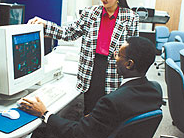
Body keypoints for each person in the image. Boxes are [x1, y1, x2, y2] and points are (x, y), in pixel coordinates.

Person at [28, 0, 139, 114]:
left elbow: (133, 49)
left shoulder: (130, 17)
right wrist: (46, 25)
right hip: (91, 69)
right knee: (90, 111)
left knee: (110, 111)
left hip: (114, 70)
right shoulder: (90, 13)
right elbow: (69, 33)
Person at [19, 36, 163, 138]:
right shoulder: (155, 89)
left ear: (129, 64)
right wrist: (98, 117)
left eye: (118, 55)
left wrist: (44, 113)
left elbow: (78, 134)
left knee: (41, 131)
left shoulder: (112, 101)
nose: (115, 58)